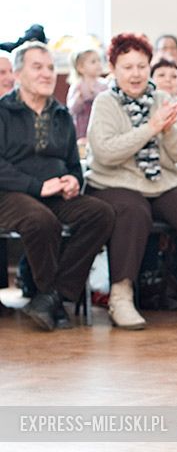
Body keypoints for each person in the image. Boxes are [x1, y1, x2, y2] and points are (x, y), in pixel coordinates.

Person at [86, 33, 177, 329]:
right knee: (134, 211)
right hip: (113, 183)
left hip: (160, 183)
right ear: (113, 69)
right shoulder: (105, 102)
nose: (135, 74)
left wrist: (167, 130)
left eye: (141, 66)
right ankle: (120, 296)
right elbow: (106, 152)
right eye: (127, 67)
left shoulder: (163, 99)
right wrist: (150, 128)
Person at [0, 41, 114, 331]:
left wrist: (74, 180)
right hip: (11, 193)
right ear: (17, 73)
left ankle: (53, 296)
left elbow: (74, 164)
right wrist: (37, 186)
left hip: (55, 194)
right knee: (40, 220)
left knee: (101, 214)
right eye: (37, 67)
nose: (47, 74)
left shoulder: (62, 115)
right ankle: (52, 297)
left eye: (50, 67)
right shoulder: (3, 112)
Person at [66, 46, 108, 146]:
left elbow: (108, 102)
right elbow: (71, 109)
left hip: (101, 123)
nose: (98, 64)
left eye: (99, 60)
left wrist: (96, 94)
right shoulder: (77, 86)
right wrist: (78, 100)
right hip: (82, 126)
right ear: (81, 68)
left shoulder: (104, 84)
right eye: (93, 62)